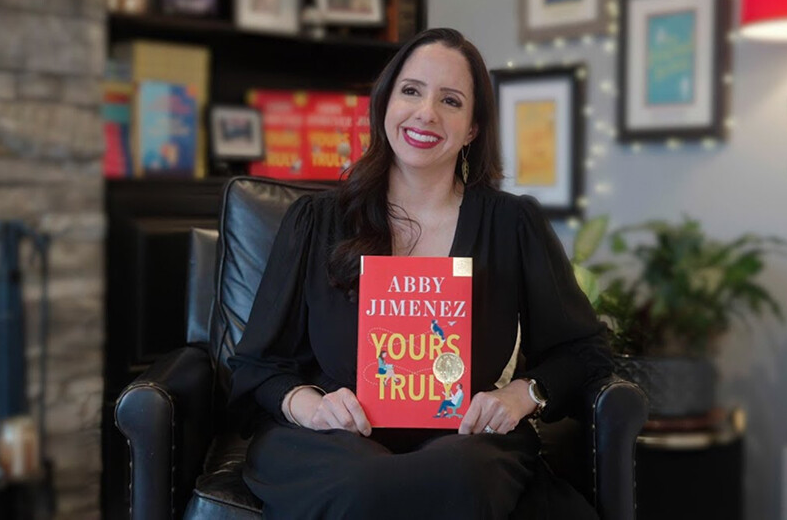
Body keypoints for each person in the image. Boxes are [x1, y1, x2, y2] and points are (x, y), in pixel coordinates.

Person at [227, 27, 612, 519]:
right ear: (385, 104)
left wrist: (522, 395)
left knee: (460, 477)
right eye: (411, 91)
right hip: (335, 444)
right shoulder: (316, 221)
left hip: (465, 445)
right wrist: (311, 406)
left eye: (451, 101)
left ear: (472, 128)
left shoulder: (513, 224)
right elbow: (257, 365)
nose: (427, 112)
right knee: (364, 484)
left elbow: (584, 351)